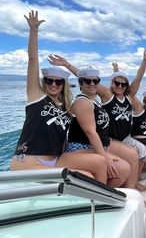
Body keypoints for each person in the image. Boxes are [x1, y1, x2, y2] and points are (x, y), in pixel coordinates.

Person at [10, 10, 108, 184]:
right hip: (31, 160)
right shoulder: (36, 97)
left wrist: (72, 67)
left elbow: (86, 80)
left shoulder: (65, 106)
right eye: (49, 81)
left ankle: (104, 202)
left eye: (58, 82)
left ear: (63, 85)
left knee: (100, 163)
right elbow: (33, 60)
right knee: (86, 179)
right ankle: (98, 205)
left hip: (57, 158)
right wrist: (34, 30)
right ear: (44, 81)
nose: (54, 85)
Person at [47, 50, 146, 191]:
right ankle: (113, 192)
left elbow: (138, 79)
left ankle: (131, 188)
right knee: (125, 163)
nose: (120, 86)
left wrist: (144, 60)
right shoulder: (105, 96)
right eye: (117, 83)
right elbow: (86, 77)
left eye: (123, 84)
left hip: (110, 140)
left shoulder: (125, 97)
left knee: (136, 154)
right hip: (98, 142)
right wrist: (67, 64)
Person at [62, 67, 132, 187]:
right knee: (123, 168)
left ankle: (105, 193)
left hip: (93, 146)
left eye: (95, 81)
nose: (92, 84)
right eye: (88, 81)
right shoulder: (82, 102)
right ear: (80, 84)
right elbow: (90, 132)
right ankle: (101, 197)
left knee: (125, 166)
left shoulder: (94, 101)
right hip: (80, 147)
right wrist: (104, 157)